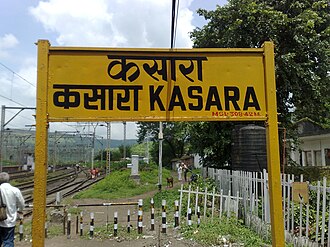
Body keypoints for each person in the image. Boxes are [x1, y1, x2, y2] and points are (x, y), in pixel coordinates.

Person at [0, 172, 25, 247]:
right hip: (10, 220)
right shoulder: (15, 190)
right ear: (9, 179)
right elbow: (21, 203)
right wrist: (20, 210)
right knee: (8, 241)